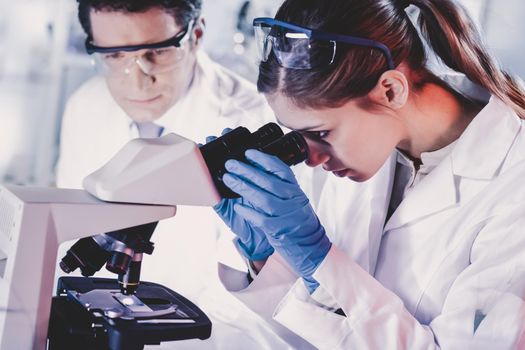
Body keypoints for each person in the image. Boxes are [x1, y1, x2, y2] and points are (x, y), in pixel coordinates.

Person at [212, 0, 525, 348]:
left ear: (391, 89)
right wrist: (268, 256)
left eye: (320, 133)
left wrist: (320, 258)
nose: (312, 158)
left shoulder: (515, 188)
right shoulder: (366, 154)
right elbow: (331, 333)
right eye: (297, 135)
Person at [55, 0, 276, 304]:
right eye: (115, 55)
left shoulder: (251, 121)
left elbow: (260, 294)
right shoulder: (85, 107)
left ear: (196, 35)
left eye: (157, 52)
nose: (138, 80)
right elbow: (68, 228)